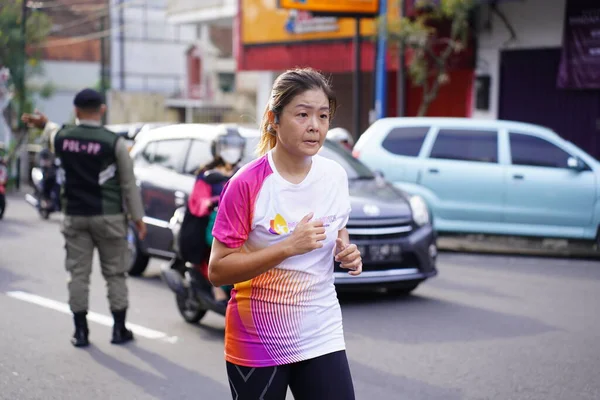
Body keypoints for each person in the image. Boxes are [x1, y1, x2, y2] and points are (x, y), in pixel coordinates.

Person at [208, 67, 363, 400]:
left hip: (322, 329)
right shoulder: (247, 183)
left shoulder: (334, 175)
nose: (315, 126)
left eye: (323, 116)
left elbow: (338, 227)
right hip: (258, 336)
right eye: (302, 114)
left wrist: (345, 249)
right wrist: (287, 247)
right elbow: (217, 270)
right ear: (274, 119)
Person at [20, 89, 147, 348]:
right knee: (115, 274)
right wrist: (138, 218)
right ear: (101, 109)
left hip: (75, 216)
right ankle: (119, 329)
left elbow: (52, 132)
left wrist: (44, 123)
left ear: (76, 110)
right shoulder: (113, 142)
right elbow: (128, 183)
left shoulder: (64, 138)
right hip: (109, 217)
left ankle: (80, 332)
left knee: (78, 274)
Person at [180, 124, 246, 304]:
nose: (231, 151)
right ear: (217, 148)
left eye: (235, 146)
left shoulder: (243, 172)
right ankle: (216, 286)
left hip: (240, 220)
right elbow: (198, 202)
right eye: (226, 146)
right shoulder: (207, 174)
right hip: (213, 221)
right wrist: (213, 202)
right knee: (214, 242)